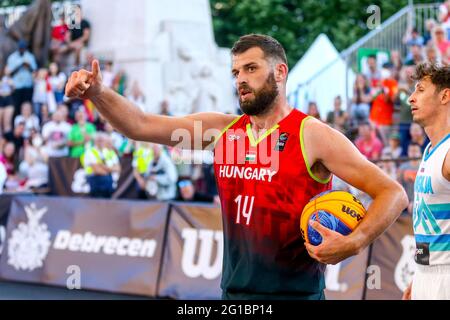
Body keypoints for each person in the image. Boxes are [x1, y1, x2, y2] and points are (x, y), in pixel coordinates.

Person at [66, 34, 408, 300]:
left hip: (296, 294)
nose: (240, 79)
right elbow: (139, 125)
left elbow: (392, 193)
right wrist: (98, 92)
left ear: (280, 71)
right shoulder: (222, 129)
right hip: (233, 295)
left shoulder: (314, 136)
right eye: (236, 72)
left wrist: (357, 240)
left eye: (251, 69)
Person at [403, 63, 450, 300]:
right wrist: (420, 274)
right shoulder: (431, 149)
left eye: (420, 90)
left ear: (445, 95)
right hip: (426, 273)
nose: (411, 98)